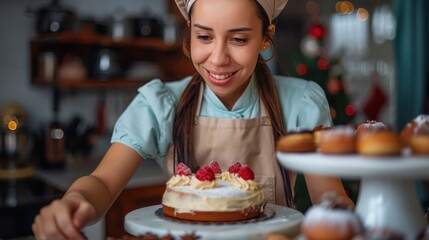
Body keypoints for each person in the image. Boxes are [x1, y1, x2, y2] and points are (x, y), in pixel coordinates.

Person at [32, 0, 354, 239]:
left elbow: (331, 201)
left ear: (266, 37)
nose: (218, 58)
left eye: (239, 39)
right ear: (190, 32)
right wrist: (75, 202)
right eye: (204, 37)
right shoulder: (160, 105)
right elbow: (102, 182)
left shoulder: (301, 102)